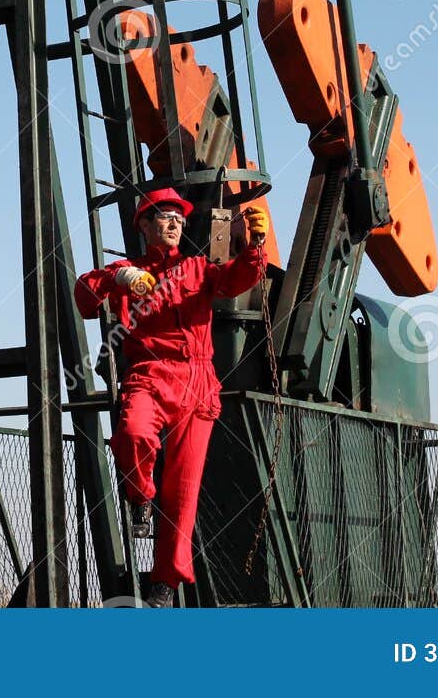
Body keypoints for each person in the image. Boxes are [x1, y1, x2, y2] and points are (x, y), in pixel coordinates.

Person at [72, 187, 269, 607]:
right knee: (132, 433)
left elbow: (239, 278)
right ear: (144, 225)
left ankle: (166, 582)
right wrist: (115, 277)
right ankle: (140, 494)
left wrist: (255, 247)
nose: (175, 222)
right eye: (164, 216)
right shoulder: (130, 271)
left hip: (198, 382)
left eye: (179, 217)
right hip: (150, 374)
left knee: (183, 491)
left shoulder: (199, 269)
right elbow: (84, 298)